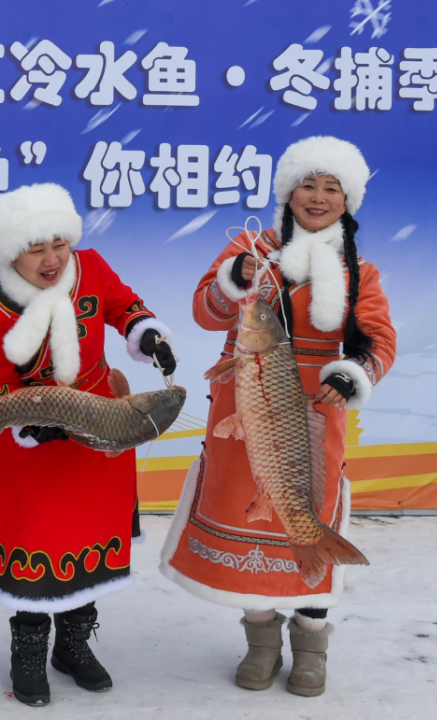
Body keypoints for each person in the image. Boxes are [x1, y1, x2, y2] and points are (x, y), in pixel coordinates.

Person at [160, 136, 397, 697]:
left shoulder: (361, 271)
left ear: (348, 201)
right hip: (242, 411)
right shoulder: (250, 247)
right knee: (245, 523)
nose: (317, 197)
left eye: (331, 188)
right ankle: (261, 642)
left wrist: (352, 373)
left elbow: (380, 342)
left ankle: (311, 645)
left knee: (308, 515)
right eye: (307, 185)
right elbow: (204, 310)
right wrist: (235, 279)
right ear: (288, 192)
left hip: (311, 420)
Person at [0, 182, 176, 706]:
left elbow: (125, 306)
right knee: (38, 544)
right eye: (37, 249)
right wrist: (31, 423)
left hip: (100, 430)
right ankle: (30, 654)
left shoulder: (92, 268)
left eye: (58, 245)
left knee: (89, 536)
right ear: (12, 253)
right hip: (31, 449)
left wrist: (146, 332)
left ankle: (74, 647)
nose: (52, 258)